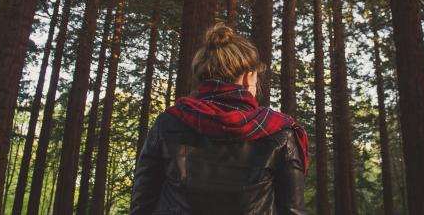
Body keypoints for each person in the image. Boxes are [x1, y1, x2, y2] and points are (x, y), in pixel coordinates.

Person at [129, 23, 308, 215]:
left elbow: (142, 203)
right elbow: (292, 211)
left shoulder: (168, 123)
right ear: (249, 77)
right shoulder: (280, 130)